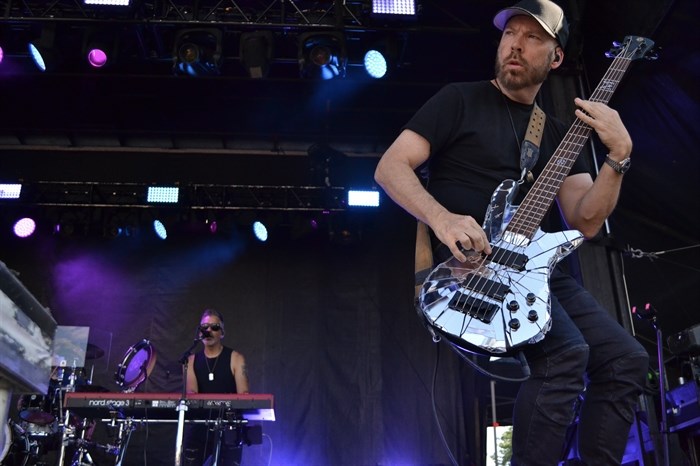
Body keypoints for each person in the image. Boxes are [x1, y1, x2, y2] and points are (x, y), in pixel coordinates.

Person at [373, 0, 650, 464]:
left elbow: (585, 219)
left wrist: (618, 156)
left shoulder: (559, 133)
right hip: (470, 268)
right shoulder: (458, 100)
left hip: (537, 272)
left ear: (556, 57)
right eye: (509, 34)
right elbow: (389, 168)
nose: (515, 45)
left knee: (627, 361)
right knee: (566, 355)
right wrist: (442, 219)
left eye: (533, 37)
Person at [184, 308, 250, 466]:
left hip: (229, 425)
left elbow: (244, 395)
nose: (209, 331)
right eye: (204, 327)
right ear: (200, 332)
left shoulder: (236, 358)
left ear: (222, 332)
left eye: (214, 327)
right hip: (200, 424)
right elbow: (191, 394)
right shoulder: (190, 360)